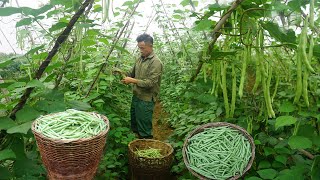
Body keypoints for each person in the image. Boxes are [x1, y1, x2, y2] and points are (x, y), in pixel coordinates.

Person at [121, 33, 163, 139]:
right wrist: (121, 73)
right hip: (136, 96)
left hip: (146, 99)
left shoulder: (156, 62)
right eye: (139, 48)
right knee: (135, 123)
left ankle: (146, 146)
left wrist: (132, 80)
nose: (140, 50)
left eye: (142, 48)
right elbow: (131, 73)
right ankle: (137, 143)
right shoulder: (140, 59)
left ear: (150, 46)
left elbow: (150, 83)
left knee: (144, 127)